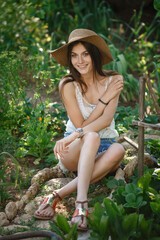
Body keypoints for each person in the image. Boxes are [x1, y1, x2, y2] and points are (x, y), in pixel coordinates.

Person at [34, 29, 125, 230]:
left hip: (104, 145)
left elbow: (106, 120)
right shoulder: (68, 85)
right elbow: (82, 127)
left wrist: (106, 98)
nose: (79, 61)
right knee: (91, 136)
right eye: (74, 55)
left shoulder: (113, 81)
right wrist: (103, 100)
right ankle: (80, 204)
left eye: (85, 54)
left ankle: (57, 195)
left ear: (94, 55)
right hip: (75, 147)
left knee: (119, 150)